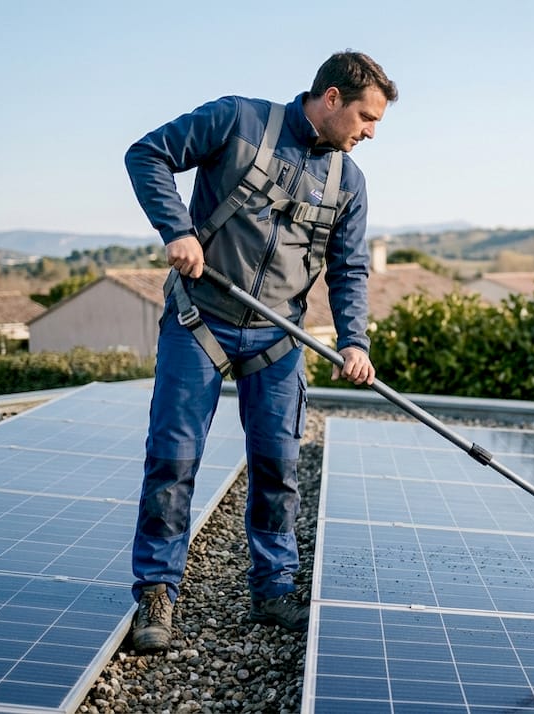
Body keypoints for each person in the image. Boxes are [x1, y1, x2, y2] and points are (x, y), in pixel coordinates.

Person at [123, 50, 396, 653]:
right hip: (200, 321)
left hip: (279, 339)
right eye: (365, 117)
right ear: (331, 99)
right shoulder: (237, 120)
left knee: (277, 467)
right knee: (173, 460)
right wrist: (178, 229)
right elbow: (146, 154)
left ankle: (273, 588)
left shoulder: (348, 181)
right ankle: (156, 594)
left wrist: (354, 342)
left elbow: (349, 270)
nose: (370, 133)